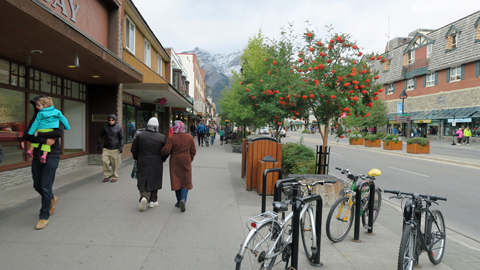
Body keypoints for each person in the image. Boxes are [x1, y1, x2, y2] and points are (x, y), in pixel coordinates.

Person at [22, 95, 65, 230]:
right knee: (37, 185)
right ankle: (52, 198)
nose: (35, 106)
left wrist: (37, 134)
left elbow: (58, 132)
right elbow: (26, 136)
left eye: (37, 104)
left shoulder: (55, 115)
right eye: (34, 104)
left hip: (52, 155)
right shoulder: (35, 118)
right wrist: (44, 139)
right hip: (36, 155)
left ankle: (44, 215)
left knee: (45, 185)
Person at [131, 117, 166, 211]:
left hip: (143, 160)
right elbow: (165, 151)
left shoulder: (140, 135)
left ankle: (144, 197)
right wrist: (162, 159)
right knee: (154, 179)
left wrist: (137, 157)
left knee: (143, 179)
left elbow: (133, 149)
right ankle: (153, 201)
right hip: (156, 162)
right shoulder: (161, 137)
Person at [161, 121, 196, 212]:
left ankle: (178, 200)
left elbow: (166, 150)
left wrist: (161, 152)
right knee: (186, 180)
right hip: (186, 160)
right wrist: (190, 158)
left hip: (175, 161)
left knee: (176, 179)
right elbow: (193, 150)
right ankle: (183, 199)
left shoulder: (172, 138)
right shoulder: (190, 137)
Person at [27, 97, 71, 163]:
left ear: (45, 106)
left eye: (38, 105)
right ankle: (44, 156)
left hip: (40, 129)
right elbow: (63, 119)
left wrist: (31, 132)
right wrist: (67, 127)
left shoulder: (40, 113)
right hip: (50, 130)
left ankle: (30, 150)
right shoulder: (57, 112)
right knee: (47, 144)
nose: (36, 107)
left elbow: (36, 123)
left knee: (35, 141)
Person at [97, 114, 124, 183]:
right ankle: (107, 175)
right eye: (110, 120)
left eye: (112, 120)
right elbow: (101, 135)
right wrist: (99, 143)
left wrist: (121, 146)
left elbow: (122, 137)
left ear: (115, 120)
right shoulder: (105, 127)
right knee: (104, 161)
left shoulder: (119, 127)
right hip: (106, 148)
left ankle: (115, 176)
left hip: (115, 148)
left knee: (115, 164)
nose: (111, 121)